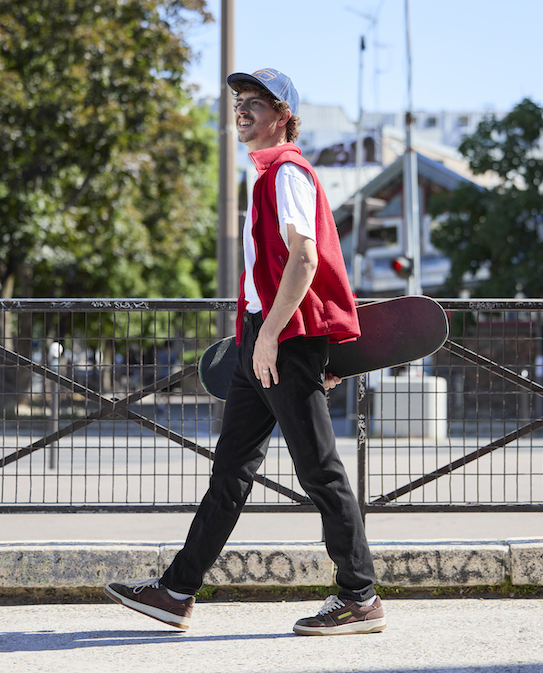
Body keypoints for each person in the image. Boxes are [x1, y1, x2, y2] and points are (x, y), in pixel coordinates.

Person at [104, 68, 385, 636]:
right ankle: (176, 592)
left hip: (282, 339)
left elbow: (305, 260)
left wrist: (276, 339)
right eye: (239, 101)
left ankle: (360, 598)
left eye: (257, 101)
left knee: (320, 470)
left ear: (284, 116)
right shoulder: (264, 176)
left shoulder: (287, 172)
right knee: (230, 472)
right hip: (263, 338)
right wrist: (260, 338)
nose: (243, 109)